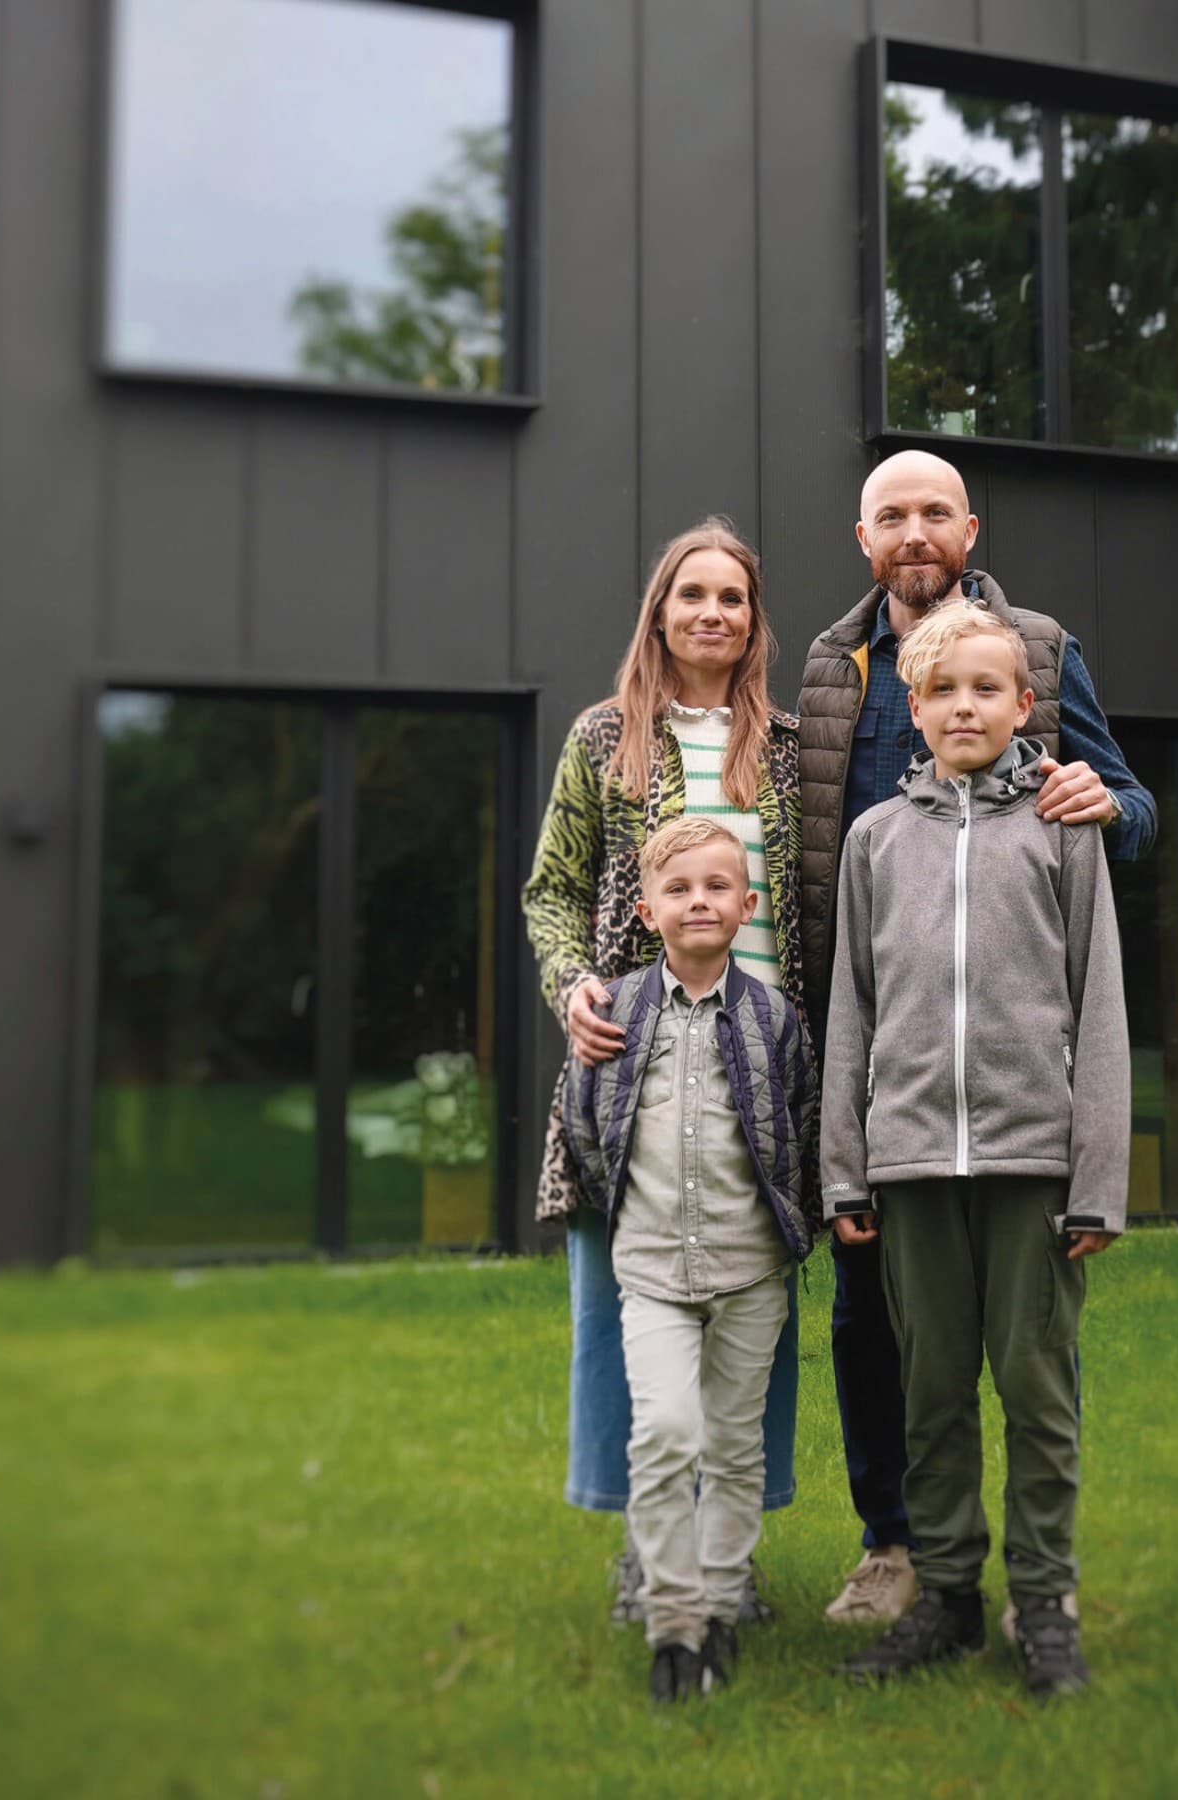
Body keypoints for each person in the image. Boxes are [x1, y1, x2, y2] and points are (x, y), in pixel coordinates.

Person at [798, 448, 1154, 1625]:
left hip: (1017, 1101)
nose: (913, 532)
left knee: (1032, 1376)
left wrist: (1107, 805)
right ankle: (905, 1556)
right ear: (864, 538)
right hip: (893, 1083)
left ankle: (1037, 1598)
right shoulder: (832, 670)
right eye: (890, 515)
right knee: (889, 1347)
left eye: (934, 513)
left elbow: (1130, 807)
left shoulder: (1043, 653)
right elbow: (823, 884)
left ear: (970, 528)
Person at [523, 517, 806, 1628]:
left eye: (733, 599)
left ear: (752, 622)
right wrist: (568, 985)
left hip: (762, 1066)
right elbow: (552, 891)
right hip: (629, 1063)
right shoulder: (605, 739)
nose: (712, 615)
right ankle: (649, 1553)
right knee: (623, 1313)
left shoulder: (786, 745)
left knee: (752, 1315)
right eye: (693, 595)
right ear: (660, 612)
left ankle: (727, 1558)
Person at [564, 816, 818, 1704]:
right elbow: (587, 1127)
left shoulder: (775, 1017)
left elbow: (798, 1125)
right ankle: (671, 1622)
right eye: (678, 889)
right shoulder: (616, 1013)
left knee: (735, 1445)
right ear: (646, 909)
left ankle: (716, 1611)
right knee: (666, 1433)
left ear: (747, 905)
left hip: (751, 1271)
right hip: (652, 1276)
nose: (699, 901)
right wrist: (633, 1217)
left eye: (717, 887)